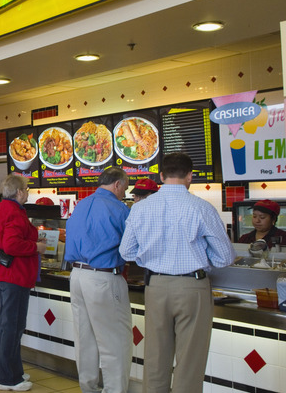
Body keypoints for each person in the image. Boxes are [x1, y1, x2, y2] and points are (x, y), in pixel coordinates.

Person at [120, 152, 236, 393]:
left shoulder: (141, 208)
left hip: (155, 286)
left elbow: (126, 251)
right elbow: (224, 257)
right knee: (190, 360)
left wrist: (150, 257)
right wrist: (204, 256)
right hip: (192, 288)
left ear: (161, 176)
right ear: (190, 176)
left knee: (155, 356)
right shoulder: (202, 208)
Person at [64, 167, 132, 393]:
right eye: (125, 187)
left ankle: (88, 388)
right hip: (103, 278)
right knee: (115, 342)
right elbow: (131, 246)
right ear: (117, 185)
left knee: (85, 339)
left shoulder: (81, 205)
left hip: (77, 277)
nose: (125, 192)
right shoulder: (119, 208)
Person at [0, 174, 47, 391]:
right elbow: (11, 245)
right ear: (19, 192)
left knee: (11, 326)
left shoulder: (3, 208)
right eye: (27, 189)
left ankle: (15, 371)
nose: (28, 192)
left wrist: (32, 239)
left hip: (7, 275)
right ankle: (6, 378)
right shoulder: (13, 211)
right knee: (11, 327)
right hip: (14, 276)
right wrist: (36, 247)